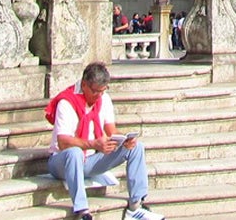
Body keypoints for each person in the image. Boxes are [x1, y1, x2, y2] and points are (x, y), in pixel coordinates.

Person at [46, 61, 163, 220]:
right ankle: (82, 211)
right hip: (62, 162)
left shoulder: (104, 98)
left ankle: (136, 206)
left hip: (90, 160)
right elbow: (63, 142)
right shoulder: (66, 102)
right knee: (74, 153)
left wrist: (124, 140)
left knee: (136, 147)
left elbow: (111, 130)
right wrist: (93, 144)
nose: (99, 95)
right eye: (95, 92)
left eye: (103, 91)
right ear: (85, 85)